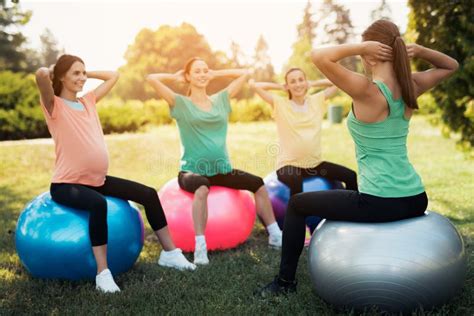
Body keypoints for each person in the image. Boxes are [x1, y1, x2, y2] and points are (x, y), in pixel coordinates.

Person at [256, 19, 459, 296]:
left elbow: (318, 56)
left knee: (297, 204)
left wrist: (360, 46)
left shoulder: (367, 90)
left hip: (380, 201)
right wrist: (420, 50)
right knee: (343, 187)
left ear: (370, 53)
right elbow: (451, 66)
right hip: (415, 197)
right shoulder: (411, 84)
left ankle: (284, 283)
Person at [35, 54, 196, 294]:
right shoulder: (53, 105)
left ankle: (170, 253)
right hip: (66, 184)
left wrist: (85, 73)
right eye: (76, 73)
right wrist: (53, 69)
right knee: (98, 205)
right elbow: (40, 75)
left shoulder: (88, 101)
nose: (82, 78)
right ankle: (103, 274)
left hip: (97, 180)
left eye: (84, 72)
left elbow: (114, 76)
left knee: (149, 194)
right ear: (61, 76)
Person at [147, 57, 282, 265]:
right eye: (196, 71)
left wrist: (215, 73)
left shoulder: (221, 99)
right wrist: (176, 77)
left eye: (204, 71)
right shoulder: (180, 103)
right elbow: (151, 78)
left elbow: (245, 73)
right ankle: (200, 247)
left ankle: (274, 234)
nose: (202, 75)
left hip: (221, 169)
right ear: (188, 76)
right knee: (202, 187)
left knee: (258, 184)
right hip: (191, 170)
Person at [249, 69, 358, 231]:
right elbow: (255, 86)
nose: (298, 84)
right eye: (293, 81)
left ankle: (353, 217)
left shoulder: (316, 100)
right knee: (296, 181)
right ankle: (299, 229)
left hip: (314, 165)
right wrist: (282, 87)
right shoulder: (281, 104)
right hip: (288, 165)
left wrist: (313, 83)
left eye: (301, 80)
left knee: (350, 175)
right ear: (287, 86)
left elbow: (337, 82)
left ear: (306, 82)